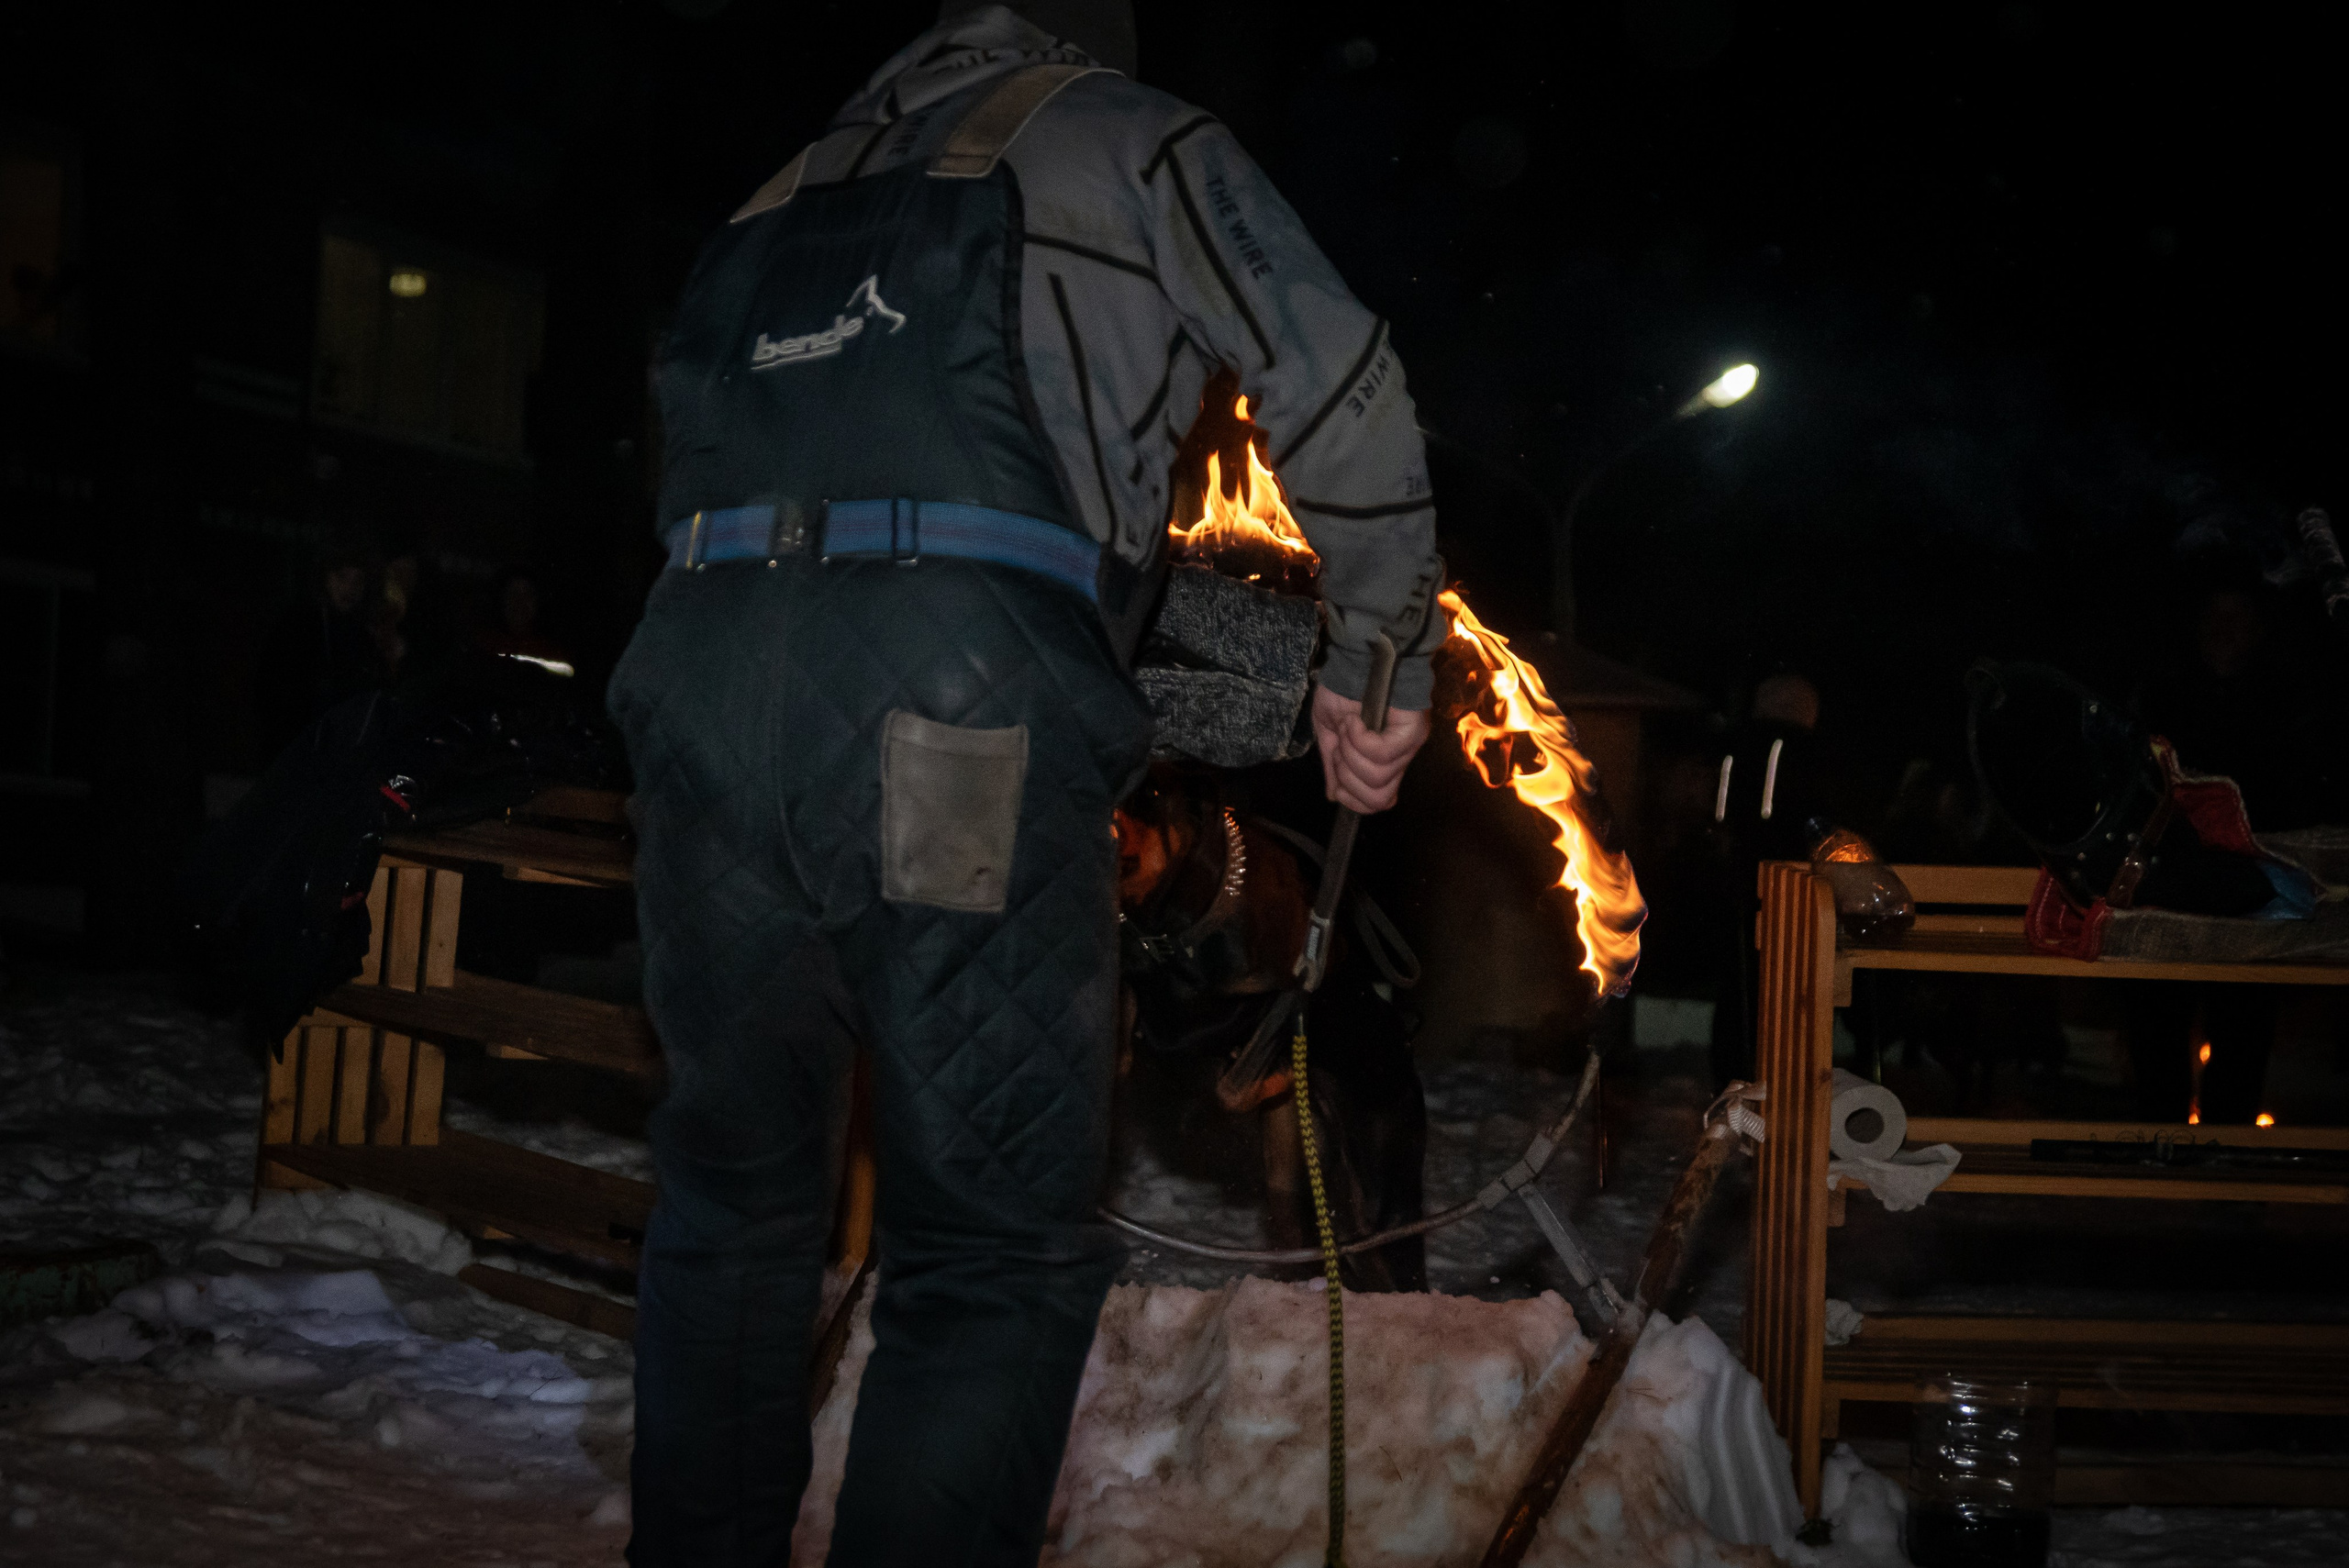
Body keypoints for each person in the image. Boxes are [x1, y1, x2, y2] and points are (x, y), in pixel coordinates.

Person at [605, 6, 1445, 1562]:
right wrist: (1380, 653)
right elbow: (1340, 377)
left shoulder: (779, 186)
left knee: (731, 1218)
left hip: (699, 690)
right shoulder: (1134, 137)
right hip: (953, 715)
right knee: (983, 1247)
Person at [1707, 670, 1823, 1084]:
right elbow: (1813, 817)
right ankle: (1774, 1075)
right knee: (1782, 981)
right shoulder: (1804, 751)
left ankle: (1731, 1075)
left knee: (1738, 982)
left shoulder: (1736, 745)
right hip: (1789, 880)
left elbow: (1719, 809)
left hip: (1737, 874)